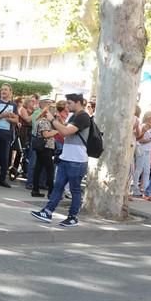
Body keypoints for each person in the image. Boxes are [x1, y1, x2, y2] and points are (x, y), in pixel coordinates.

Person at [31, 93, 91, 227]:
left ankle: (73, 217)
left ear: (78, 102)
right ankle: (47, 211)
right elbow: (65, 131)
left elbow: (65, 132)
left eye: (69, 103)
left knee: (75, 190)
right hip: (66, 157)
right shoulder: (74, 116)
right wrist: (58, 122)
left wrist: (53, 121)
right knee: (57, 187)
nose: (67, 106)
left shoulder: (83, 117)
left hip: (77, 160)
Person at [31, 103, 58, 197]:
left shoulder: (42, 121)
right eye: (55, 111)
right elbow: (45, 134)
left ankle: (35, 190)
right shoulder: (44, 122)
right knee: (50, 170)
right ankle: (51, 192)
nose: (55, 113)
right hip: (45, 148)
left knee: (38, 168)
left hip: (44, 148)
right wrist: (57, 131)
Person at [131, 111, 151, 197]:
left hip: (148, 150)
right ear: (147, 117)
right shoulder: (142, 126)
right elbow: (140, 140)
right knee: (139, 169)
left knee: (147, 170)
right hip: (141, 149)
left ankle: (146, 189)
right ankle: (134, 188)